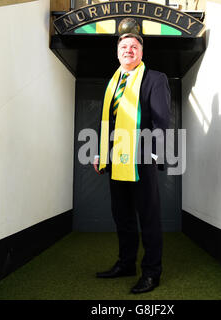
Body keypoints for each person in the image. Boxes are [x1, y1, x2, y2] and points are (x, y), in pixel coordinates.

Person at [93, 32, 171, 294]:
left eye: (134, 46)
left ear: (141, 52)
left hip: (141, 162)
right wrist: (100, 153)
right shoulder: (114, 81)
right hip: (116, 161)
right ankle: (126, 264)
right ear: (117, 53)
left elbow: (162, 122)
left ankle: (152, 272)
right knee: (122, 216)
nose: (128, 50)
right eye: (124, 46)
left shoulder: (155, 79)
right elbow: (109, 122)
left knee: (148, 218)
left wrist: (151, 155)